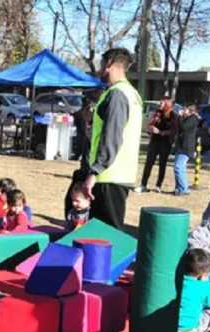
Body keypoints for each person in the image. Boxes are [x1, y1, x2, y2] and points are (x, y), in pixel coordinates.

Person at [72, 48, 143, 229]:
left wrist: (94, 172)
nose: (98, 70)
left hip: (108, 176)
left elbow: (112, 137)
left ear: (109, 64)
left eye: (101, 64)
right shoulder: (132, 94)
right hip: (117, 174)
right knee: (102, 234)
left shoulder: (117, 94)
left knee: (106, 235)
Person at [136, 96, 177, 193]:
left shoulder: (173, 116)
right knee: (149, 163)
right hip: (154, 141)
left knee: (162, 164)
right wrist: (151, 127)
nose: (160, 104)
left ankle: (158, 185)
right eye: (160, 103)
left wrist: (161, 132)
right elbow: (149, 124)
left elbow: (173, 131)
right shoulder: (157, 113)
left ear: (168, 104)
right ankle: (143, 185)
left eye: (162, 103)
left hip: (165, 143)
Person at [173, 104, 199, 196]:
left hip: (186, 147)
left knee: (178, 167)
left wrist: (180, 116)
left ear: (190, 110)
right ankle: (179, 188)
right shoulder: (185, 118)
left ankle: (184, 189)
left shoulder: (193, 119)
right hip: (181, 146)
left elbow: (184, 127)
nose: (183, 111)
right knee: (180, 168)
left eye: (185, 109)